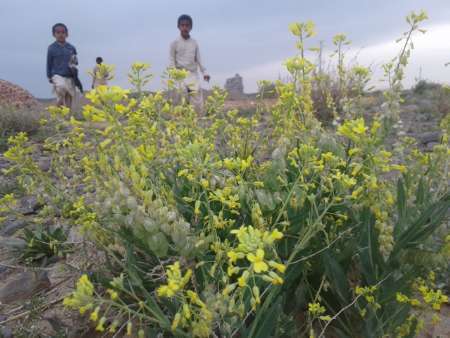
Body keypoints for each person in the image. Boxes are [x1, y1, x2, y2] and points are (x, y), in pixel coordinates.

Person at [169, 14, 210, 113]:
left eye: (187, 25)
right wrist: (174, 75)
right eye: (182, 25)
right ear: (178, 26)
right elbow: (171, 61)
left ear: (191, 27)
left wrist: (205, 73)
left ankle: (196, 123)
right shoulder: (174, 43)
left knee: (197, 100)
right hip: (179, 75)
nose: (185, 28)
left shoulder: (194, 43)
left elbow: (199, 59)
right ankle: (180, 124)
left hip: (192, 74)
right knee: (181, 97)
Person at [46, 23, 80, 109]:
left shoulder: (71, 48)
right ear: (54, 34)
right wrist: (49, 76)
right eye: (58, 32)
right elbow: (49, 62)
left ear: (67, 34)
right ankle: (58, 105)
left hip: (69, 75)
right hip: (57, 75)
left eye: (63, 32)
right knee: (61, 87)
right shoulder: (51, 48)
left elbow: (75, 62)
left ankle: (65, 118)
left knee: (69, 99)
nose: (61, 34)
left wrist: (74, 62)